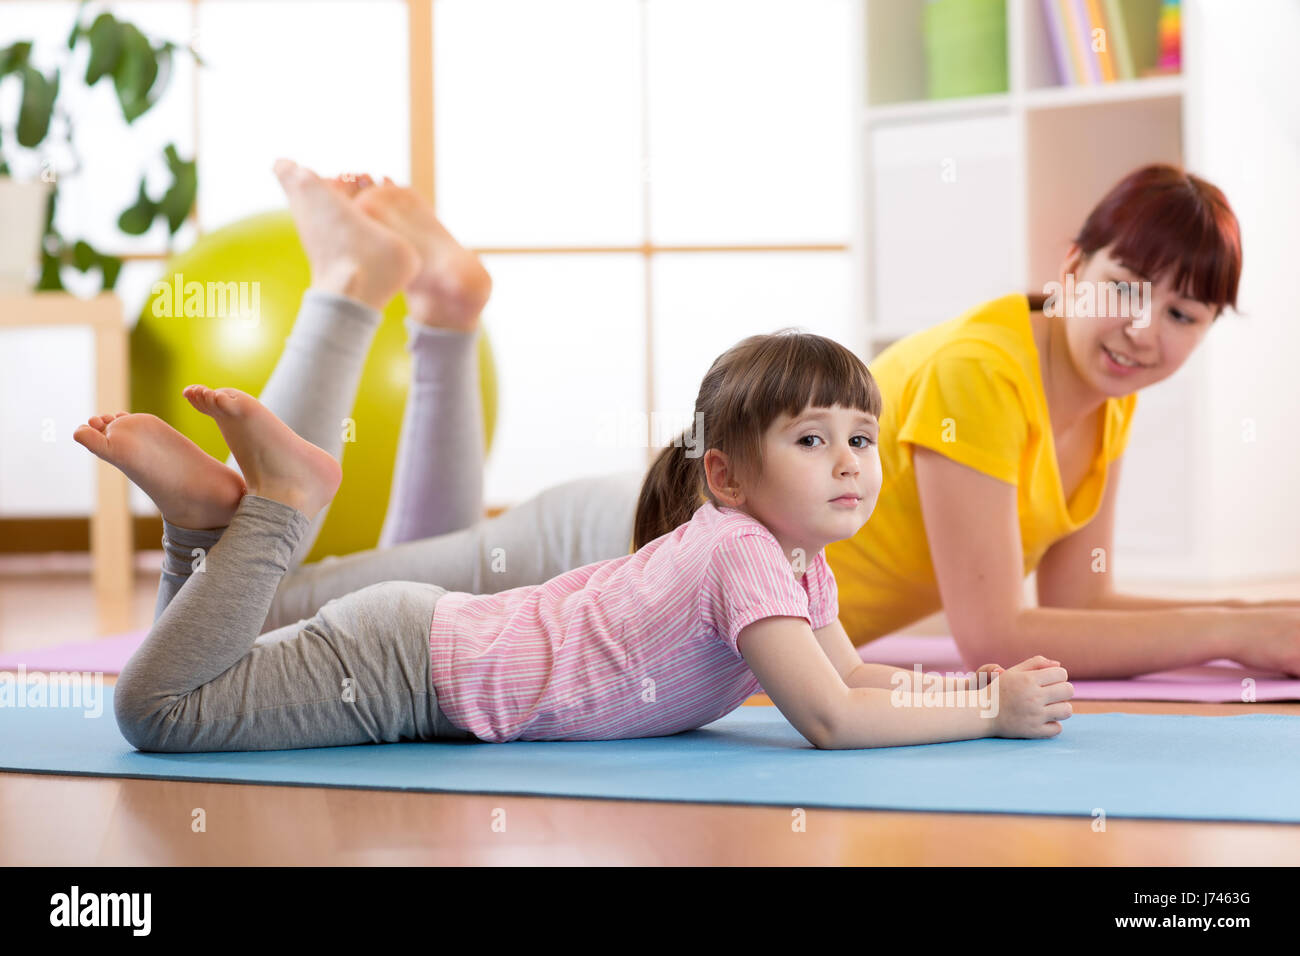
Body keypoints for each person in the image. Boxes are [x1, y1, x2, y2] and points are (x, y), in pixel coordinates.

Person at [230, 161, 1298, 682]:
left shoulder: (1103, 408)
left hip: (666, 594)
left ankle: (447, 315)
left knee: (400, 586)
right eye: (1122, 287)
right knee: (241, 622)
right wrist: (1239, 631)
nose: (1141, 331)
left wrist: (1253, 606)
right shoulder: (987, 372)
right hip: (622, 548)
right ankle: (356, 288)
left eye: (1182, 312)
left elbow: (1086, 602)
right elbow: (998, 635)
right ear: (1071, 268)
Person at [74, 330, 1072, 752]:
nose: (850, 461)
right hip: (409, 671)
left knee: (199, 673)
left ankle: (202, 527)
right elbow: (828, 717)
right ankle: (280, 501)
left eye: (861, 437)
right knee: (158, 712)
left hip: (425, 647)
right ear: (723, 473)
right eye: (812, 440)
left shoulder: (794, 559)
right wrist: (986, 711)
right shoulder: (734, 548)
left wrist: (977, 689)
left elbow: (852, 675)